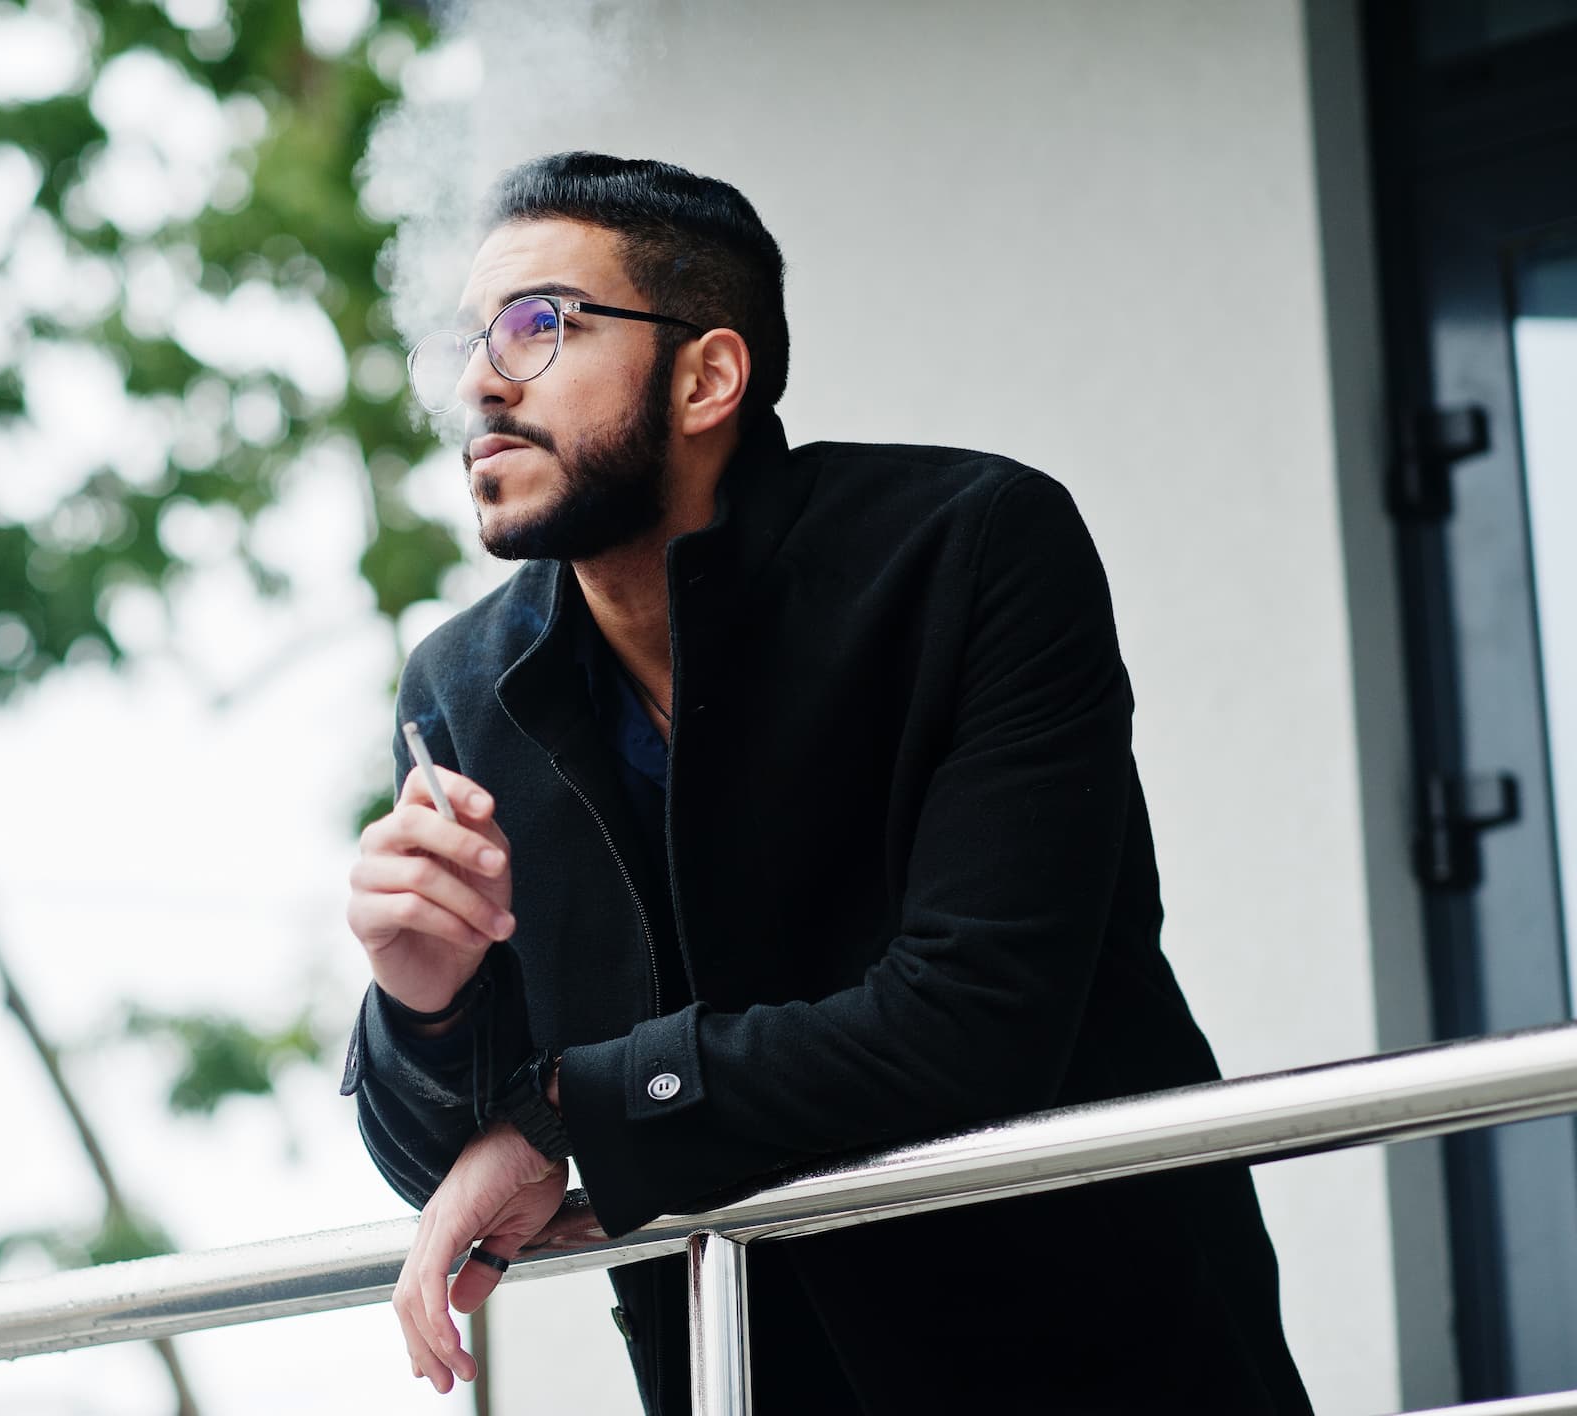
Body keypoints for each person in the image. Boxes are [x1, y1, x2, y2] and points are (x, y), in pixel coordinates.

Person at [339, 151, 1311, 1413]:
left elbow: (975, 1018)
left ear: (705, 376)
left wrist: (568, 1107)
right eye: (469, 338)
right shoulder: (461, 686)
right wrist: (419, 1008)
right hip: (751, 1374)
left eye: (538, 326)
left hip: (1108, 1355)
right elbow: (457, 1167)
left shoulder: (972, 549)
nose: (479, 378)